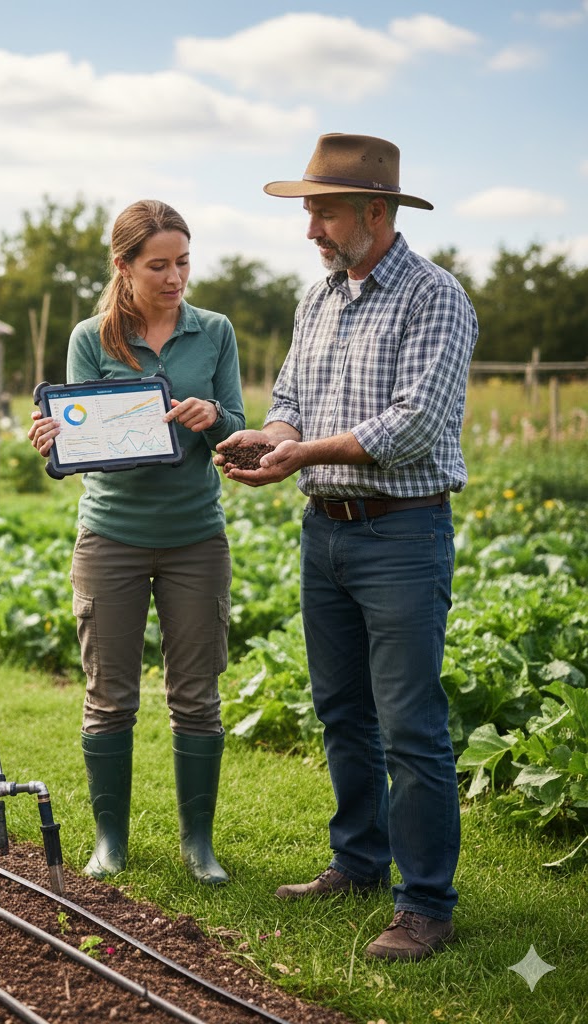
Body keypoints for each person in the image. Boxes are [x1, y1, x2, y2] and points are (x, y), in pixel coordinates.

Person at [217, 134, 478, 960]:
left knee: (409, 725)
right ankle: (359, 862)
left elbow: (414, 426)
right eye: (308, 215)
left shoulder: (435, 298)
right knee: (341, 712)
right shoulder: (319, 298)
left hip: (402, 533)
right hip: (324, 531)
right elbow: (291, 397)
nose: (311, 232)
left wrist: (304, 452)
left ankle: (425, 905)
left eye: (322, 213)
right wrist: (270, 437)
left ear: (376, 212)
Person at [29, 199, 245, 885]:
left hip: (194, 539)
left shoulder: (214, 332)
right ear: (123, 267)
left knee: (197, 696)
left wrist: (215, 417)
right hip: (112, 536)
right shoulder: (92, 338)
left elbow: (240, 426)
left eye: (183, 261)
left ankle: (198, 847)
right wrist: (54, 443)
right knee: (109, 696)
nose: (175, 276)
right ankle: (109, 843)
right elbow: (78, 440)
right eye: (159, 265)